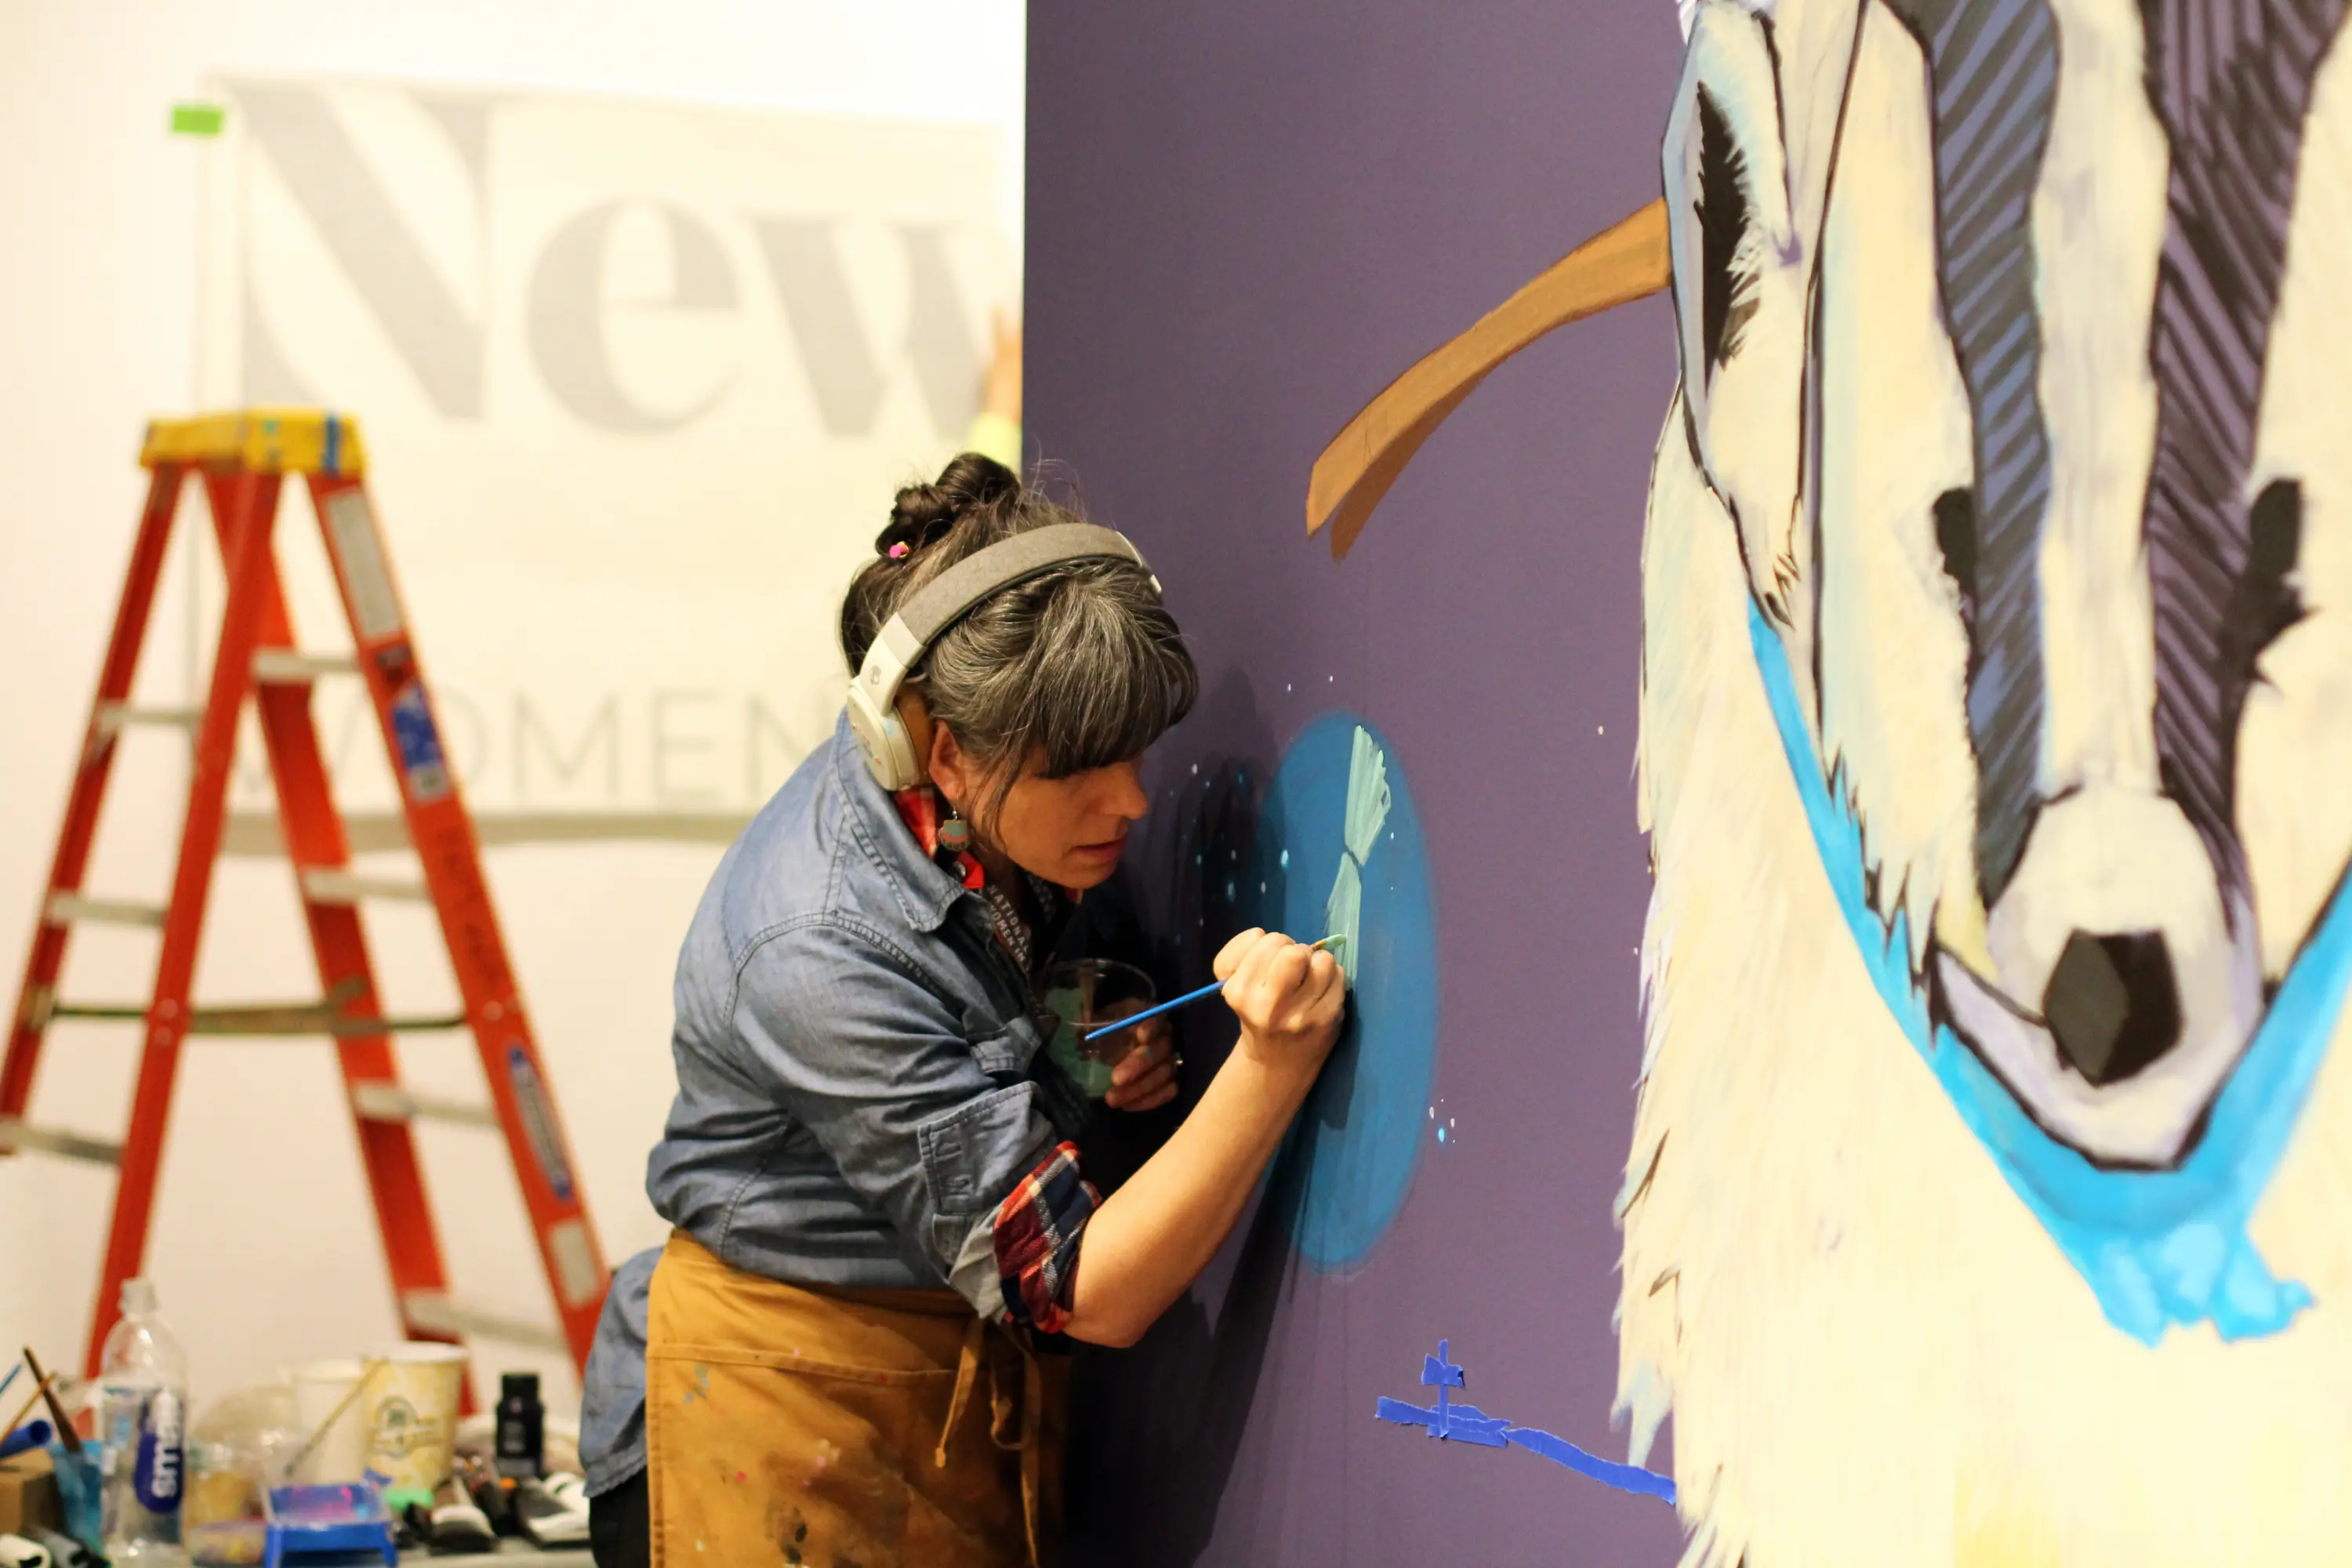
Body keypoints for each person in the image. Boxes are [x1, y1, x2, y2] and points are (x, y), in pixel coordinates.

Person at [579, 451, 1346, 1568]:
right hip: (771, 1417)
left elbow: (997, 1007)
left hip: (920, 1396)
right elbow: (1088, 1292)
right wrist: (1270, 1066)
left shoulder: (977, 817)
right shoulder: (819, 948)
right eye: (1079, 769)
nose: (1130, 799)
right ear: (942, 750)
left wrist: (1092, 1037)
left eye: (1134, 753)